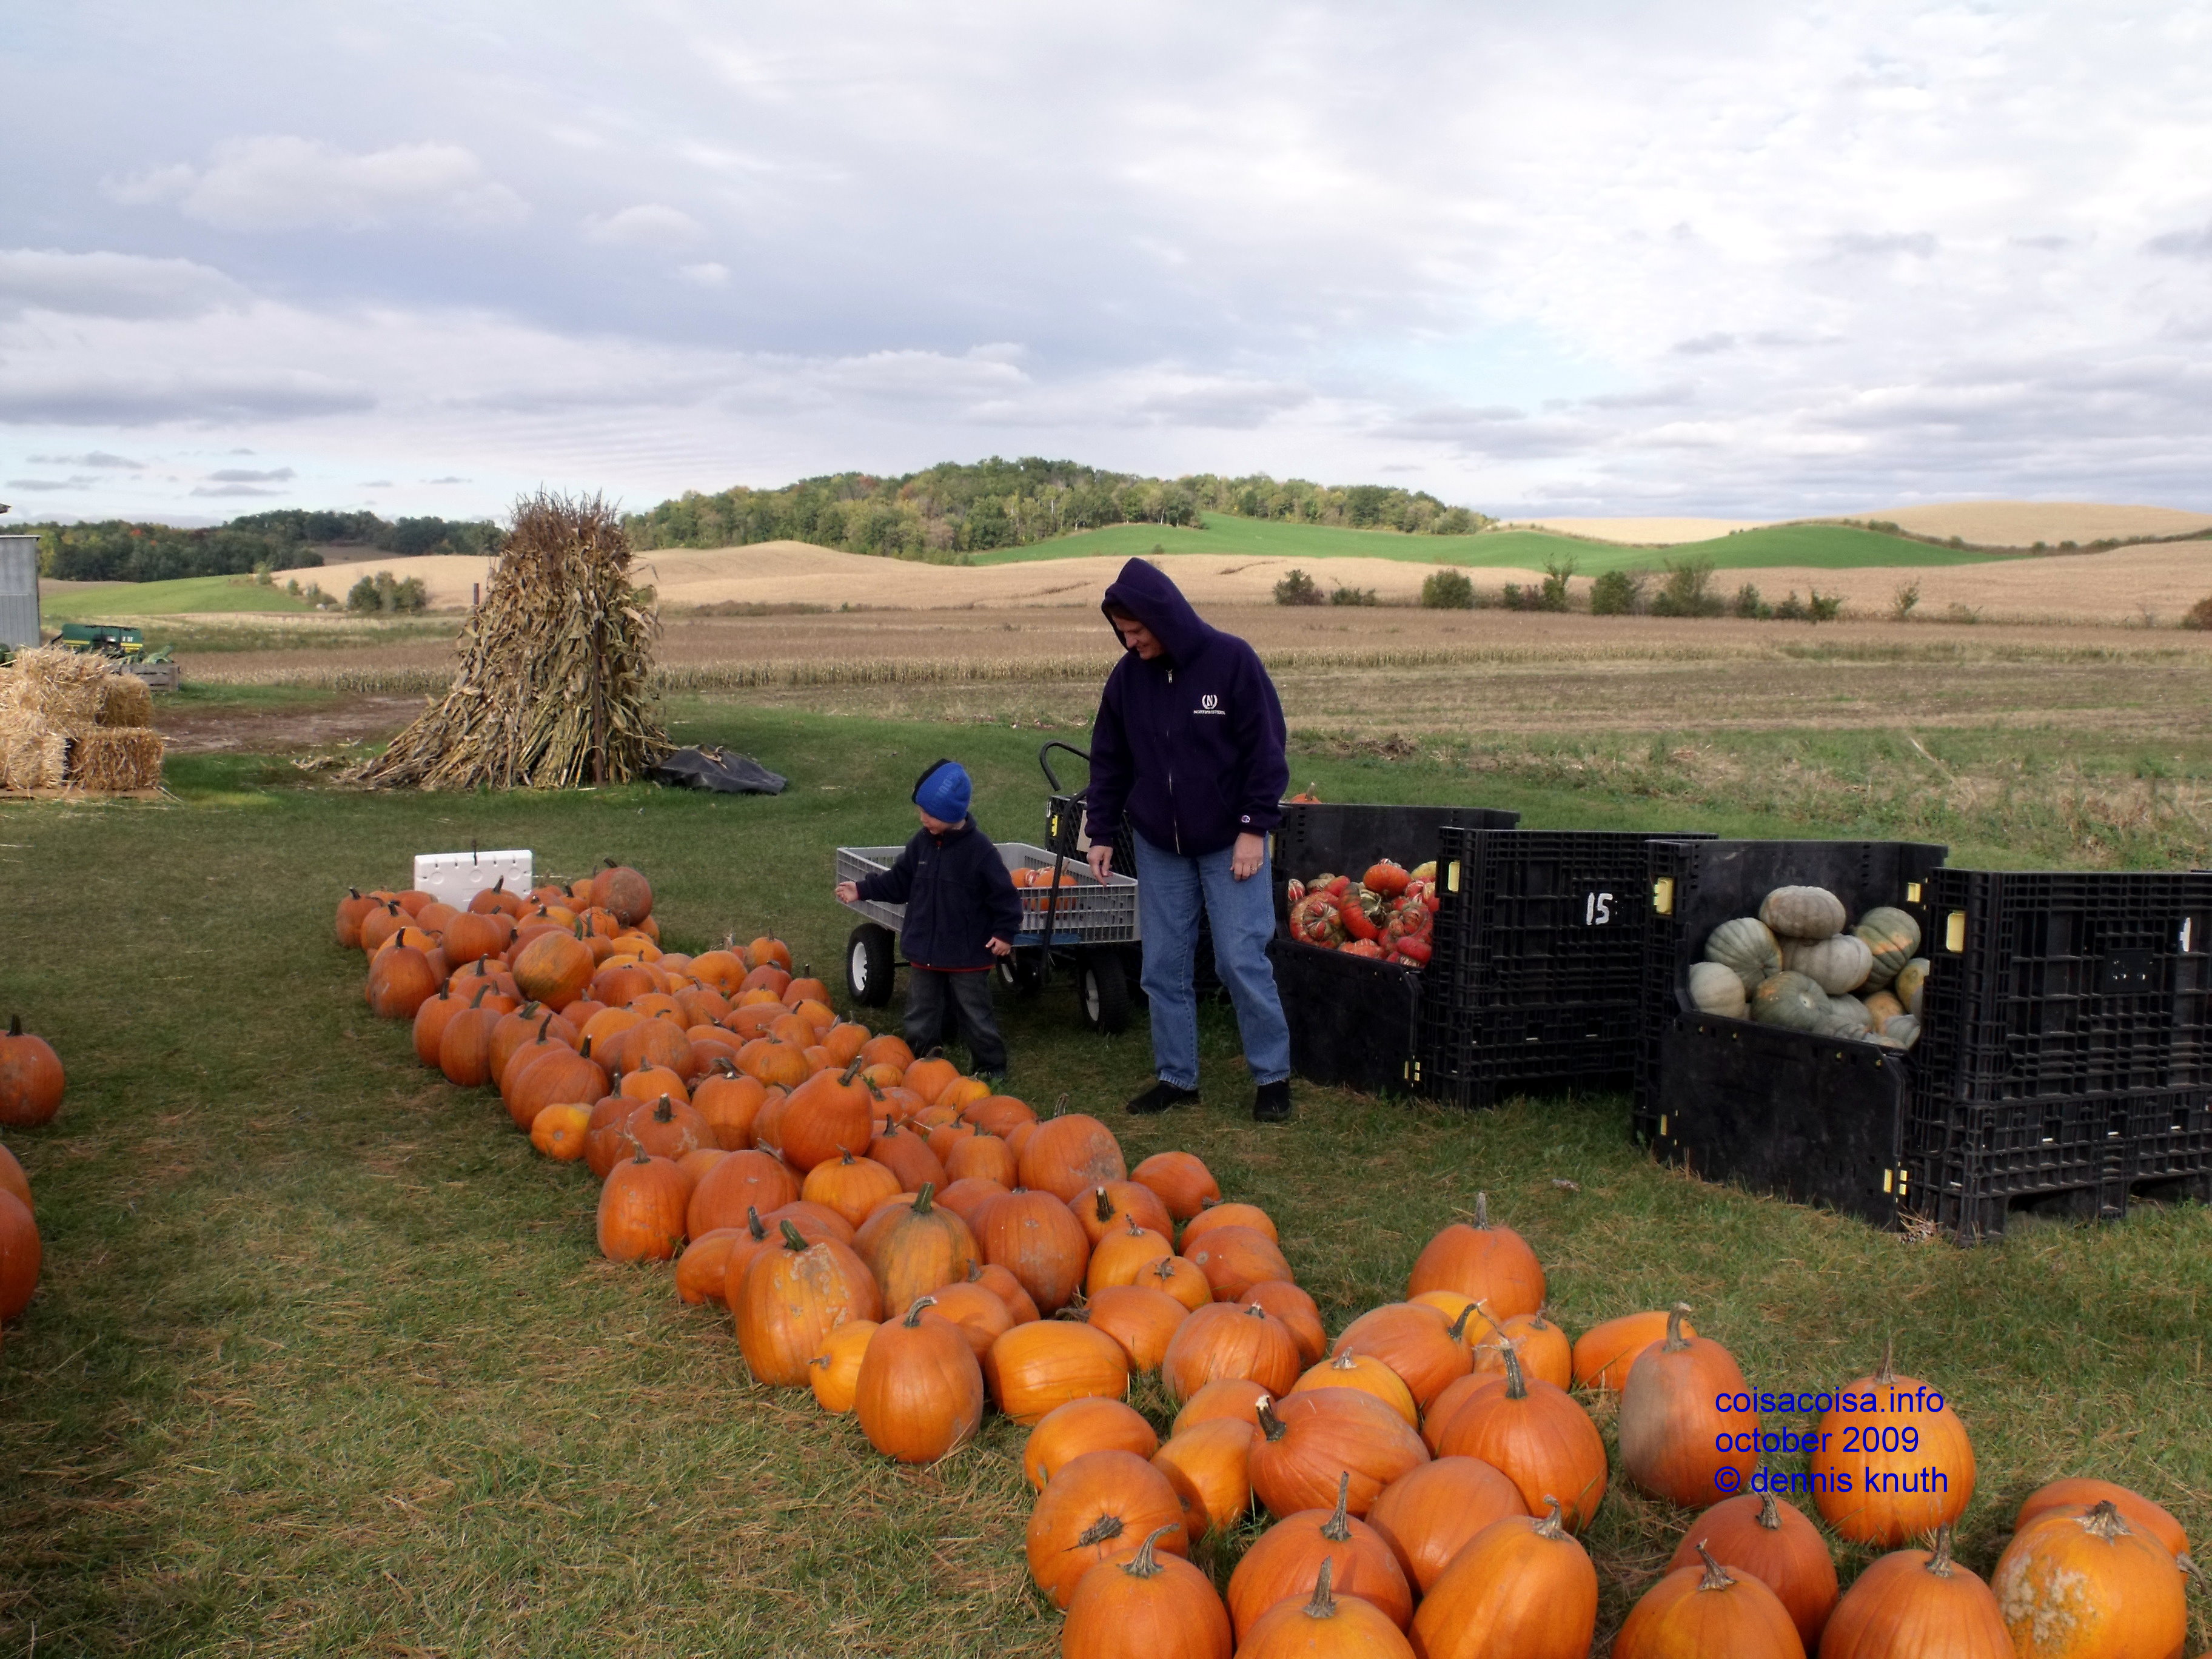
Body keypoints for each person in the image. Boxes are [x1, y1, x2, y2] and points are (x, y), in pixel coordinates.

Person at [1084, 558, 1296, 1122]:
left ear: (1165, 617)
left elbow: (1266, 752)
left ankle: (1272, 1077)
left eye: (1137, 631)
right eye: (1122, 634)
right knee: (1162, 966)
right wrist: (1101, 829)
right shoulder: (1128, 680)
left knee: (1239, 960)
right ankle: (1177, 1078)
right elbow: (1109, 759)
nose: (1130, 644)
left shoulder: (1232, 663)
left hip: (1231, 842)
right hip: (1159, 844)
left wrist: (1254, 830)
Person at [836, 758, 1021, 1083]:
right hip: (924, 949)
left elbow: (1005, 897)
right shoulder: (921, 843)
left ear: (954, 814)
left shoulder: (980, 852)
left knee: (975, 1013)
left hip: (967, 954)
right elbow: (898, 881)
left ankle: (991, 1066)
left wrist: (1005, 933)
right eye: (921, 811)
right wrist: (862, 889)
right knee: (920, 1012)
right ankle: (921, 1062)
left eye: (930, 814)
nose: (923, 819)